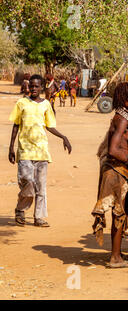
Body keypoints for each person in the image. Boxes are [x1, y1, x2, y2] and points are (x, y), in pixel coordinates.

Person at [91, 82, 128, 268]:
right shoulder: (122, 119)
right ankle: (115, 258)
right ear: (125, 99)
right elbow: (114, 150)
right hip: (116, 172)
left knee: (120, 213)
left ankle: (118, 252)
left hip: (120, 170)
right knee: (119, 213)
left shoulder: (124, 117)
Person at [8, 74, 72, 227]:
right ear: (28, 86)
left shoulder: (46, 105)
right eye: (31, 86)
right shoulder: (21, 103)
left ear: (42, 87)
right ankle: (20, 209)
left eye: (37, 86)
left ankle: (39, 217)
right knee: (27, 182)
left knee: (41, 186)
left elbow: (49, 126)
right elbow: (16, 125)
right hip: (24, 150)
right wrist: (11, 147)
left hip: (42, 151)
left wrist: (63, 137)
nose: (34, 88)